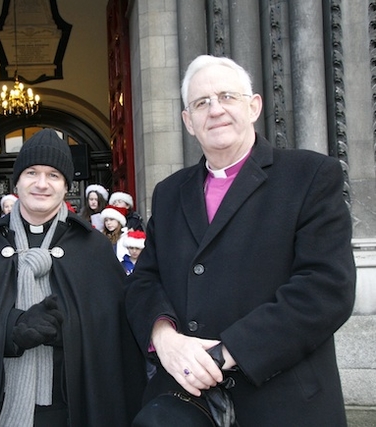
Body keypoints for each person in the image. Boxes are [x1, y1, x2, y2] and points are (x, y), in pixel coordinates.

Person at [125, 55, 356, 426]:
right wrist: (165, 339)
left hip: (284, 401)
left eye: (227, 97)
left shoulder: (310, 175)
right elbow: (144, 281)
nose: (215, 110)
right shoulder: (169, 193)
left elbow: (326, 289)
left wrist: (224, 353)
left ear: (254, 107)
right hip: (185, 402)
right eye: (201, 103)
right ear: (188, 121)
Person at [0, 128, 146, 426]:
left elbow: (113, 334)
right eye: (31, 173)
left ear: (66, 186)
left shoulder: (93, 248)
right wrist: (11, 329)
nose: (41, 184)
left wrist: (67, 329)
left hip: (70, 410)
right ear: (17, 183)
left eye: (53, 175)